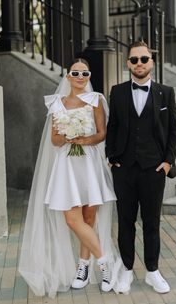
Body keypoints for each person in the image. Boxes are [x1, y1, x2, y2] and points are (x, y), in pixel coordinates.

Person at [19, 58, 119, 298]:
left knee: (88, 216)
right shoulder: (57, 104)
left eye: (85, 73)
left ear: (89, 76)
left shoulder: (96, 100)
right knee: (72, 220)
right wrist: (67, 135)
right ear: (67, 76)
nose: (80, 77)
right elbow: (54, 140)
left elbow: (102, 133)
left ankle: (83, 268)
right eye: (75, 73)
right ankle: (106, 263)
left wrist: (85, 139)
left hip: (89, 162)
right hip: (67, 165)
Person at [106, 41, 176, 294]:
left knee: (151, 222)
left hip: (153, 169)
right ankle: (126, 270)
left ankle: (152, 271)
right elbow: (112, 126)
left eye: (144, 59)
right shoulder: (116, 92)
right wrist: (110, 155)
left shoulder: (166, 92)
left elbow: (174, 130)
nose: (139, 63)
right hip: (124, 168)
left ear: (152, 62)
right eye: (134, 60)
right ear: (128, 63)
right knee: (125, 221)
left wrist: (168, 161)